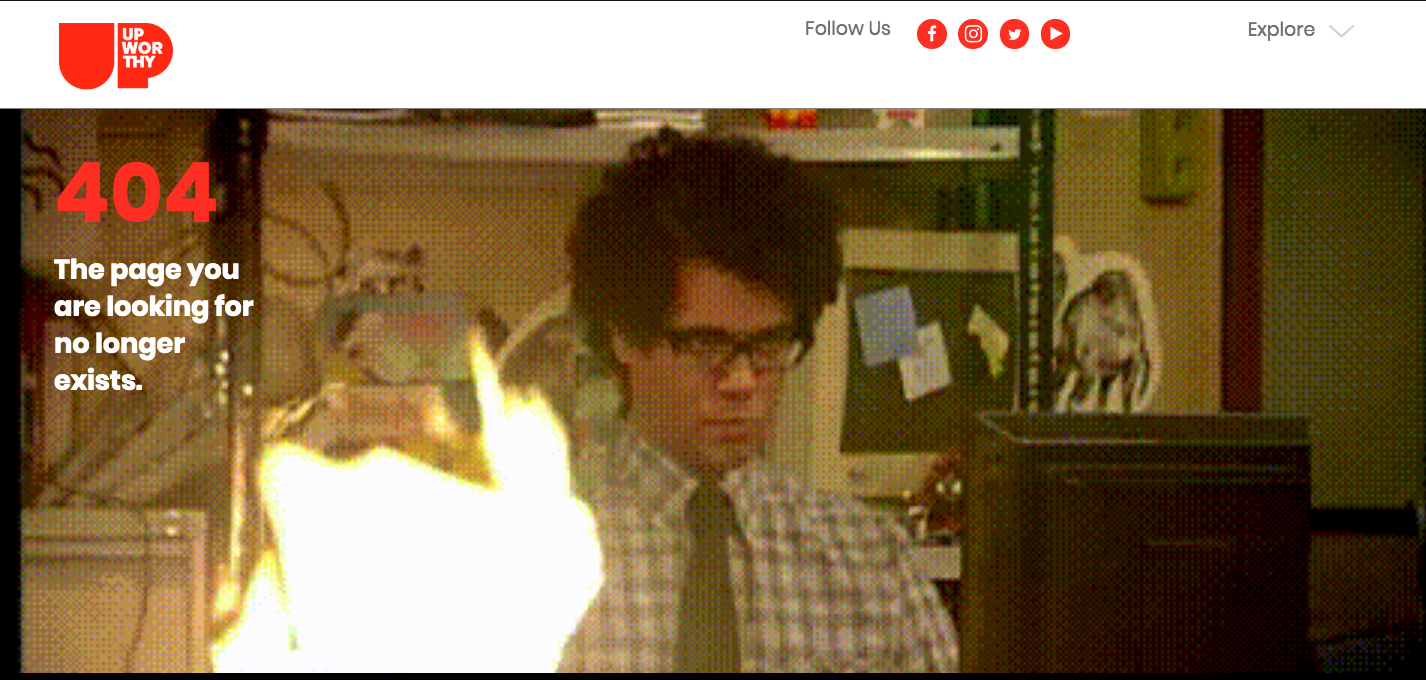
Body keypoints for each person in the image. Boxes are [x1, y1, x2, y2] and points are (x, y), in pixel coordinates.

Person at [558, 129, 959, 672]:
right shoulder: (533, 552)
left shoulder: (870, 564)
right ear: (624, 337)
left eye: (770, 344)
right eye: (706, 344)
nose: (743, 382)